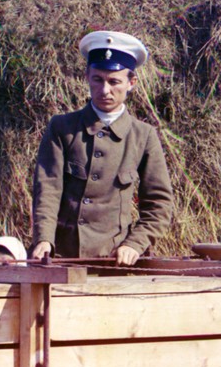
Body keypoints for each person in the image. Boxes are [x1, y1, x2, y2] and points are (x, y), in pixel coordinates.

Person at [30, 31, 175, 265]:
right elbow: (47, 190)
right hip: (62, 258)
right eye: (97, 79)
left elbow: (159, 204)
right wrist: (44, 240)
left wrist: (134, 244)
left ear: (131, 83)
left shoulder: (143, 136)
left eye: (114, 81)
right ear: (87, 76)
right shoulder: (62, 128)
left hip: (115, 260)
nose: (105, 90)